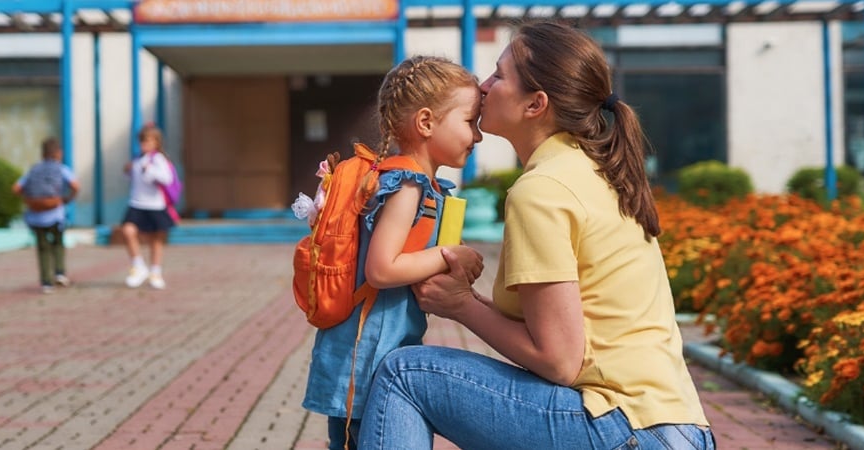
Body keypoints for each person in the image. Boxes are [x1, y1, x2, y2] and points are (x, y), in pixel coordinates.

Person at [357, 22, 715, 449]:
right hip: (670, 427)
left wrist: (462, 306)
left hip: (624, 427)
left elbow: (559, 361)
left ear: (535, 104)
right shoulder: (587, 171)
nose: (483, 86)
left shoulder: (542, 190)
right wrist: (465, 301)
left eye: (499, 75)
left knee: (405, 374)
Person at [302, 55, 486, 450]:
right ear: (425, 123)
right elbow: (382, 269)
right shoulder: (407, 186)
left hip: (368, 356)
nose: (478, 136)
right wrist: (449, 255)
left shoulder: (410, 183)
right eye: (470, 121)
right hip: (368, 360)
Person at [13, 137, 80, 294]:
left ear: (42, 153)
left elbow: (16, 188)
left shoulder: (34, 169)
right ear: (59, 153)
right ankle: (60, 272)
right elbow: (75, 185)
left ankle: (46, 282)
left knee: (43, 248)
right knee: (58, 242)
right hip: (55, 213)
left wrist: (29, 200)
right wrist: (67, 199)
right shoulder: (61, 169)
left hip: (36, 215)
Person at [121, 125, 175, 290]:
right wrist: (128, 170)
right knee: (128, 231)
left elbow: (167, 179)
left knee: (155, 240)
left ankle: (155, 272)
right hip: (137, 203)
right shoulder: (138, 159)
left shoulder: (158, 159)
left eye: (149, 140)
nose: (145, 143)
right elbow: (133, 181)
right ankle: (138, 266)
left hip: (155, 205)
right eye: (142, 140)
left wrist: (150, 170)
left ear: (156, 142)